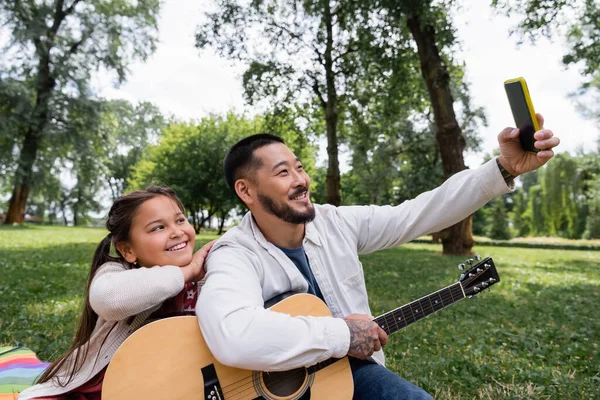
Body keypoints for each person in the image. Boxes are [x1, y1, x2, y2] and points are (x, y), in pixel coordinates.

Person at [196, 114, 560, 399]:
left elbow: (419, 212)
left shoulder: (335, 222)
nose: (300, 180)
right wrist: (341, 333)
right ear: (245, 190)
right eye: (282, 172)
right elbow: (234, 334)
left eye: (300, 167)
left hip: (351, 374)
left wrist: (502, 169)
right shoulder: (235, 252)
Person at [19, 186, 214, 400]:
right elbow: (109, 300)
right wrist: (186, 272)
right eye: (158, 227)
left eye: (180, 220)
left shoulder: (207, 276)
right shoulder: (117, 273)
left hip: (168, 387)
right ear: (128, 250)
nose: (177, 232)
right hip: (105, 386)